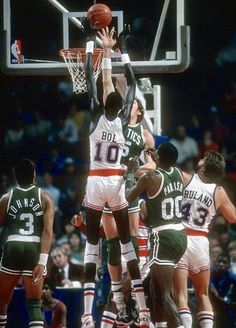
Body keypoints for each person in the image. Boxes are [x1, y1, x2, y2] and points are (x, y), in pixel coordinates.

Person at [81, 24, 150, 328]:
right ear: (126, 107)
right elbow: (129, 83)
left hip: (98, 179)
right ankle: (138, 307)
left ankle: (89, 314)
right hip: (118, 182)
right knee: (122, 244)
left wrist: (89, 45)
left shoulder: (99, 115)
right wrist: (119, 49)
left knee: (93, 244)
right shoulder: (124, 121)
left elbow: (95, 81)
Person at [125, 142, 187, 328]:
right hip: (180, 235)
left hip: (163, 236)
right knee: (155, 290)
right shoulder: (178, 173)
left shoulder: (150, 177)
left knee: (164, 293)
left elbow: (128, 196)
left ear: (159, 157)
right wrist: (156, 158)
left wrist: (130, 173)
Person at [173, 150, 236, 328]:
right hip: (201, 241)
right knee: (203, 294)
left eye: (202, 159)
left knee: (181, 295)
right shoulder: (219, 191)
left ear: (203, 166)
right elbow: (232, 218)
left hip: (181, 239)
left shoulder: (185, 178)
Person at [0, 158, 55, 328]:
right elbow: (47, 231)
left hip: (13, 247)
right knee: (34, 304)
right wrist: (42, 261)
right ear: (34, 176)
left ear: (16, 178)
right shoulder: (45, 197)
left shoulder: (6, 198)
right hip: (34, 249)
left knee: (2, 301)